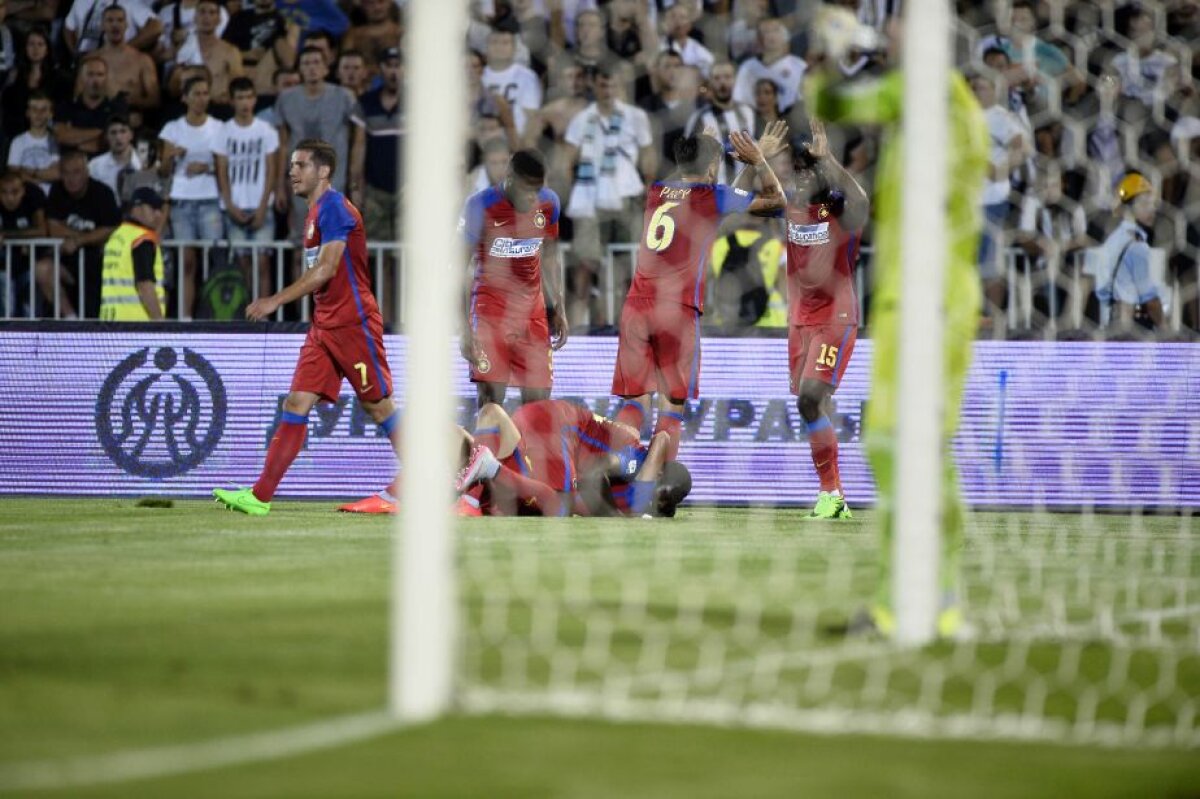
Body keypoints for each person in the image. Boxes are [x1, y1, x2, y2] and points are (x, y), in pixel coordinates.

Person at [806, 7, 989, 638]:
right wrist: (833, 61)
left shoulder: (941, 98)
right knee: (901, 444)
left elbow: (846, 102)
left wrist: (843, 59)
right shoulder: (921, 98)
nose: (888, 29)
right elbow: (831, 101)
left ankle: (917, 600)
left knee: (908, 443)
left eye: (900, 20)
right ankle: (928, 600)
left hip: (935, 297)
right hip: (909, 296)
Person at [213, 139, 398, 516]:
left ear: (324, 171)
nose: (292, 172)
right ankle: (260, 497)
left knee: (378, 407)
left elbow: (327, 269)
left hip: (352, 323)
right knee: (295, 403)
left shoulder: (335, 208)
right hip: (325, 324)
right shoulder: (314, 211)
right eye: (292, 166)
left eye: (301, 165)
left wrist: (275, 300)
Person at [611, 129, 785, 463]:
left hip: (637, 306)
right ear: (714, 166)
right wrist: (759, 161)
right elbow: (777, 202)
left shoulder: (657, 191)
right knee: (671, 404)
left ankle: (619, 471)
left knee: (635, 401)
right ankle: (658, 481)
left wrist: (709, 153)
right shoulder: (711, 196)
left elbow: (722, 196)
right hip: (677, 311)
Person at [769, 118, 868, 519]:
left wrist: (828, 161)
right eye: (800, 169)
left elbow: (862, 201)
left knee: (810, 398)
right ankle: (835, 495)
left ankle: (831, 493)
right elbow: (752, 200)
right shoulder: (792, 207)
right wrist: (758, 160)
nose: (805, 175)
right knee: (812, 406)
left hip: (835, 316)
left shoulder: (837, 209)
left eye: (811, 169)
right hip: (800, 321)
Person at [455, 400, 692, 519]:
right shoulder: (635, 458)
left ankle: (471, 487)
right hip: (559, 427)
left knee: (512, 502)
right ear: (658, 473)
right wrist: (618, 520)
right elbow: (593, 470)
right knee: (559, 508)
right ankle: (485, 475)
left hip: (545, 426)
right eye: (660, 493)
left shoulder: (644, 501)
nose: (656, 501)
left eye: (664, 502)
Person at [460, 149, 568, 407]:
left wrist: (559, 305)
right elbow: (458, 270)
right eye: (527, 189)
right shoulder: (480, 206)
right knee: (491, 403)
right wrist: (464, 329)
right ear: (509, 178)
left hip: (532, 313)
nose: (532, 197)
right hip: (491, 313)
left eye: (537, 190)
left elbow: (550, 256)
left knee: (538, 406)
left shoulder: (549, 203)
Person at [159, 74, 225, 319]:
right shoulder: (173, 128)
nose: (201, 98)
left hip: (210, 200)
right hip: (181, 201)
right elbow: (163, 171)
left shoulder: (219, 127)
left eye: (205, 93)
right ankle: (186, 317)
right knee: (186, 261)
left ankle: (212, 315)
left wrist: (206, 167)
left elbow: (225, 167)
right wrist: (170, 156)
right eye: (196, 93)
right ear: (185, 98)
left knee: (212, 261)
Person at [34, 148, 120, 318]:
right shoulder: (57, 191)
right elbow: (53, 228)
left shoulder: (102, 193)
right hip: (66, 261)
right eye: (66, 173)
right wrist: (90, 236)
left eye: (76, 172)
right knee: (42, 269)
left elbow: (111, 229)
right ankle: (71, 319)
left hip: (98, 262)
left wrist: (79, 241)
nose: (71, 178)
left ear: (87, 172)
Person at [215, 76, 280, 298]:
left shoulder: (266, 130)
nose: (245, 103)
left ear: (255, 99)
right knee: (242, 264)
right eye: (240, 98)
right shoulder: (223, 131)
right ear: (232, 101)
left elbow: (271, 170)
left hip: (261, 206)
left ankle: (264, 315)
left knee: (263, 263)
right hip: (235, 207)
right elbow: (221, 171)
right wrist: (230, 206)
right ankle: (247, 313)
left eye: (249, 97)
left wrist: (262, 207)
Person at [1089, 172, 1164, 332]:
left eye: (1152, 203)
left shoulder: (1114, 238)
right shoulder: (1137, 246)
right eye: (1144, 203)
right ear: (1128, 208)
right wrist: (1166, 329)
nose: (1152, 209)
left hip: (1111, 324)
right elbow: (1151, 302)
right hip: (1135, 328)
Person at [99, 186, 167, 320]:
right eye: (153, 208)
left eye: (159, 209)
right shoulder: (142, 239)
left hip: (110, 320)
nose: (158, 214)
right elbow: (144, 285)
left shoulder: (117, 236)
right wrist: (159, 321)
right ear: (137, 208)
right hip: (137, 322)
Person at [685, 61, 755, 185]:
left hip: (744, 189)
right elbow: (686, 160)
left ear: (735, 80)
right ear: (710, 82)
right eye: (717, 78)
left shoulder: (747, 112)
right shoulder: (699, 118)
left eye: (727, 77)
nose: (722, 82)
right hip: (713, 190)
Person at [169, 0, 245, 114]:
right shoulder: (184, 49)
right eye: (202, 12)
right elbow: (173, 89)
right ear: (195, 18)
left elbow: (238, 87)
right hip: (188, 109)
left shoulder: (230, 52)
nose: (206, 17)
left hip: (219, 109)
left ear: (219, 20)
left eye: (212, 13)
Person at [91, 4, 160, 121]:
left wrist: (134, 101)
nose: (115, 25)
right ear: (102, 25)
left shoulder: (143, 60)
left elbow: (155, 100)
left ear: (126, 25)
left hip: (130, 120)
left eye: (120, 20)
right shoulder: (91, 60)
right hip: (97, 119)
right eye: (110, 20)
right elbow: (78, 97)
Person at [221, 0, 298, 99]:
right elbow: (223, 50)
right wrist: (247, 54)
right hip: (241, 69)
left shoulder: (282, 19)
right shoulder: (239, 17)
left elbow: (289, 59)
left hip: (271, 70)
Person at [54, 55, 130, 156]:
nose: (95, 81)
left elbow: (117, 140)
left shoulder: (117, 107)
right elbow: (61, 136)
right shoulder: (67, 105)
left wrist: (76, 142)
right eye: (90, 74)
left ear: (106, 78)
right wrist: (101, 131)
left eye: (100, 75)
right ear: (81, 78)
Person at [733, 18, 807, 112]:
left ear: (785, 36)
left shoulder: (799, 66)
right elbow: (741, 102)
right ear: (758, 39)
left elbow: (803, 102)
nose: (771, 35)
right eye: (766, 32)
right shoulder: (747, 68)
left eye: (776, 30)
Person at [0, 171, 47, 317]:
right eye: (4, 192)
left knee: (30, 311)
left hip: (27, 268)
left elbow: (41, 231)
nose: (10, 198)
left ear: (23, 191)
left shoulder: (32, 201)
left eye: (15, 192)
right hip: (3, 271)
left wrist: (5, 235)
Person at [63, 0, 161, 57]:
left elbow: (156, 27)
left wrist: (122, 49)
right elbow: (69, 27)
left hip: (116, 65)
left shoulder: (131, 2)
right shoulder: (81, 1)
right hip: (85, 60)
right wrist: (74, 52)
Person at [7, 92, 60, 197]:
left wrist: (29, 172)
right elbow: (14, 173)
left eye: (43, 110)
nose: (38, 114)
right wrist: (39, 179)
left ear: (50, 114)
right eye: (34, 109)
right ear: (28, 113)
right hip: (24, 196)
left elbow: (55, 174)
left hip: (49, 196)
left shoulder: (55, 141)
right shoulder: (18, 141)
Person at [88, 115, 143, 200]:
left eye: (123, 131)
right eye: (113, 133)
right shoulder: (95, 165)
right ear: (106, 137)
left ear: (131, 135)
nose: (118, 137)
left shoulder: (145, 163)